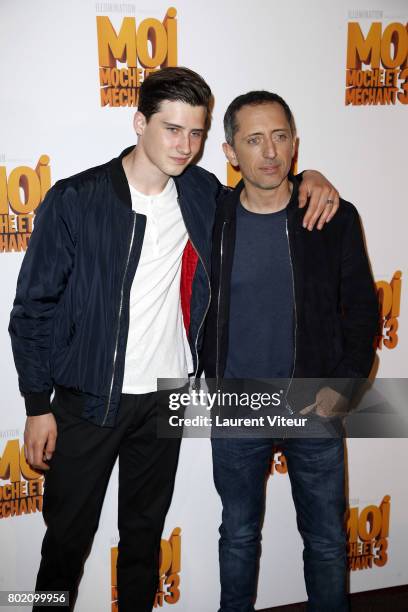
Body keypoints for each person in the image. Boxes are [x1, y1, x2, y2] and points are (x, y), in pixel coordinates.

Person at [9, 68, 339, 611]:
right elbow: (31, 309)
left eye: (197, 133)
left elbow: (265, 188)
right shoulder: (76, 199)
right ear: (139, 122)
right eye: (171, 129)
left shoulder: (201, 194)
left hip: (164, 400)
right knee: (63, 548)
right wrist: (36, 405)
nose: (185, 146)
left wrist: (311, 177)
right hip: (88, 401)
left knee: (143, 543)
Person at [201, 91, 379, 611]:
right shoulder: (211, 216)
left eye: (280, 137)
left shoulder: (331, 217)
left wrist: (342, 388)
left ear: (295, 144)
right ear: (231, 152)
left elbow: (364, 312)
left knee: (326, 543)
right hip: (237, 407)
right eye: (254, 140)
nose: (270, 152)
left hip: (312, 404)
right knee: (237, 536)